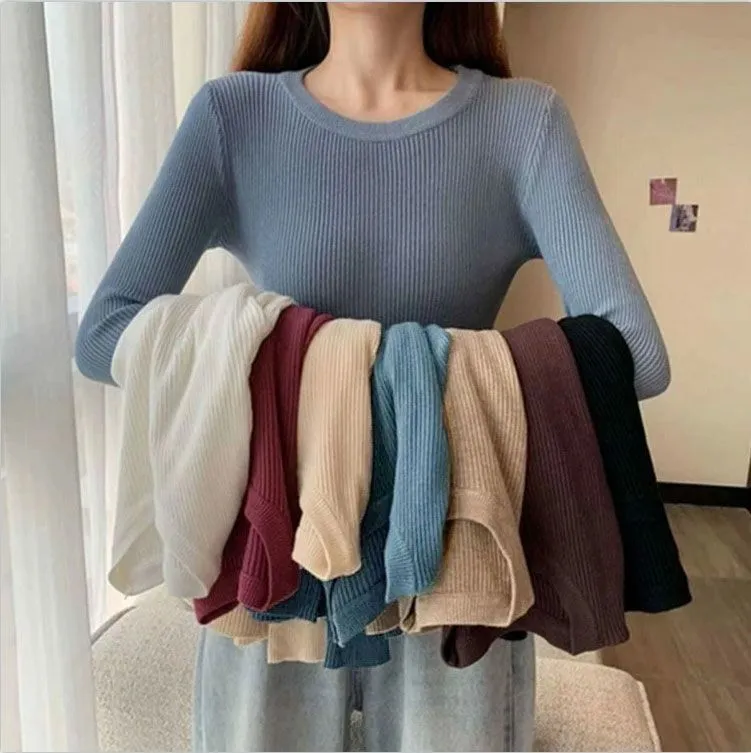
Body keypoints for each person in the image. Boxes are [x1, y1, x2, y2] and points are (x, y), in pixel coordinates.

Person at [76, 3, 670, 751]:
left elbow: (636, 354)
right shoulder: (234, 117)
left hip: (457, 562)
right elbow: (104, 332)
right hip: (277, 560)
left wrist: (330, 372)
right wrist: (344, 368)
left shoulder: (523, 123)